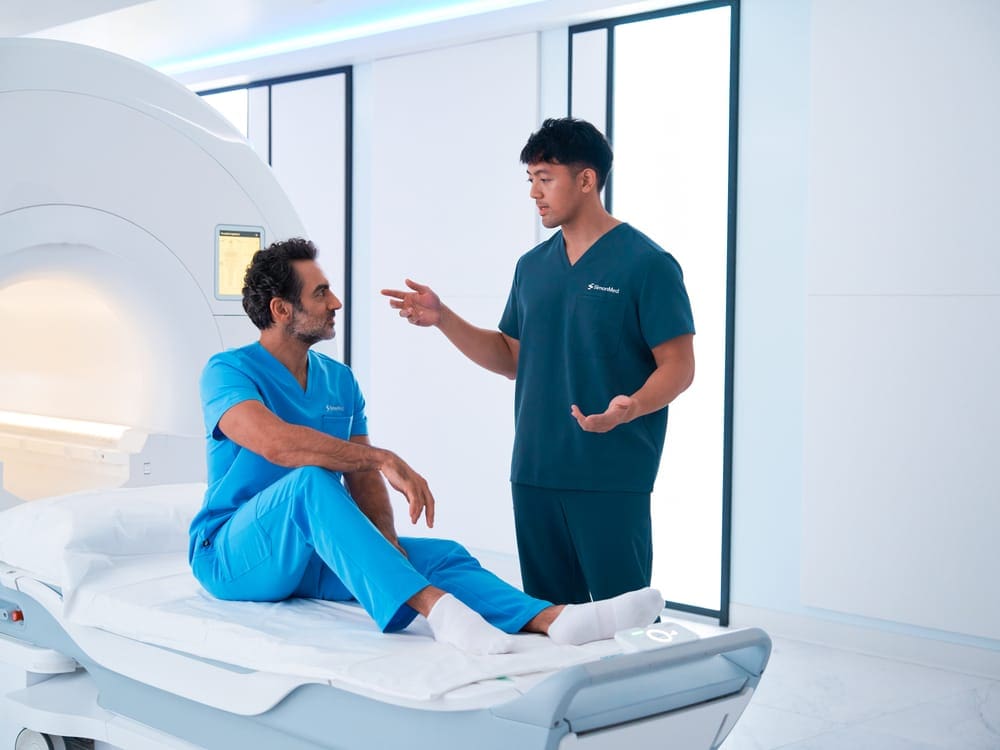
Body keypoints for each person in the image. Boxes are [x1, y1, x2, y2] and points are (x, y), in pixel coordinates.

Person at [188, 237, 664, 655]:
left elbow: (361, 478)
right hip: (232, 555)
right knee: (309, 481)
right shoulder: (227, 371)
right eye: (320, 293)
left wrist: (388, 548)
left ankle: (554, 619)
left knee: (441, 556)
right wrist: (384, 458)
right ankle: (438, 612)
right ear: (280, 310)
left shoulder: (339, 380)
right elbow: (275, 444)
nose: (336, 302)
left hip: (308, 555)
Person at [382, 117, 695, 606]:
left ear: (586, 180)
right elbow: (512, 357)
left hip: (610, 473)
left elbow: (679, 364)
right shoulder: (531, 268)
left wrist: (631, 407)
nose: (534, 193)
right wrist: (444, 319)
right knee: (552, 621)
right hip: (534, 472)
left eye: (545, 178)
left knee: (624, 620)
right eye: (530, 179)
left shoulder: (647, 264)